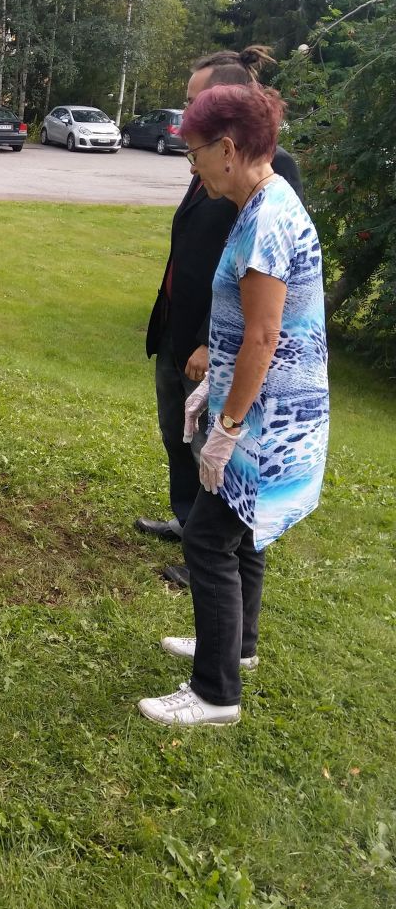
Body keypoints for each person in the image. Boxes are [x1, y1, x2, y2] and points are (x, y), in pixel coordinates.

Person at [138, 84, 328, 725]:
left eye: (194, 154)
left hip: (266, 421)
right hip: (259, 406)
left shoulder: (267, 220)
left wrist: (227, 425)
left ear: (227, 149)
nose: (191, 167)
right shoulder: (262, 204)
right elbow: (250, 331)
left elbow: (265, 336)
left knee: (210, 539)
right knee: (241, 533)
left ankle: (215, 693)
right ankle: (236, 645)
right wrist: (212, 384)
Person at [136, 46, 305, 588]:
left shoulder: (268, 179)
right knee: (177, 435)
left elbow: (258, 294)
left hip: (217, 346)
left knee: (214, 455)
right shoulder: (208, 157)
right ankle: (190, 522)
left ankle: (207, 547)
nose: (186, 116)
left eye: (195, 102)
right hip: (177, 325)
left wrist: (214, 343)